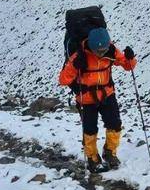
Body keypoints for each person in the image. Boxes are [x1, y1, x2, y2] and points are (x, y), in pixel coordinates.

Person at [59, 27, 137, 173]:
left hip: (107, 94)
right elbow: (63, 79)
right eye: (98, 51)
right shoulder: (79, 56)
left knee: (115, 124)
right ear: (91, 46)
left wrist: (130, 58)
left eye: (104, 50)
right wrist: (75, 66)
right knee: (90, 130)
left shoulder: (111, 50)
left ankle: (109, 152)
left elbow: (128, 66)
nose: (102, 53)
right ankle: (92, 158)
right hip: (86, 99)